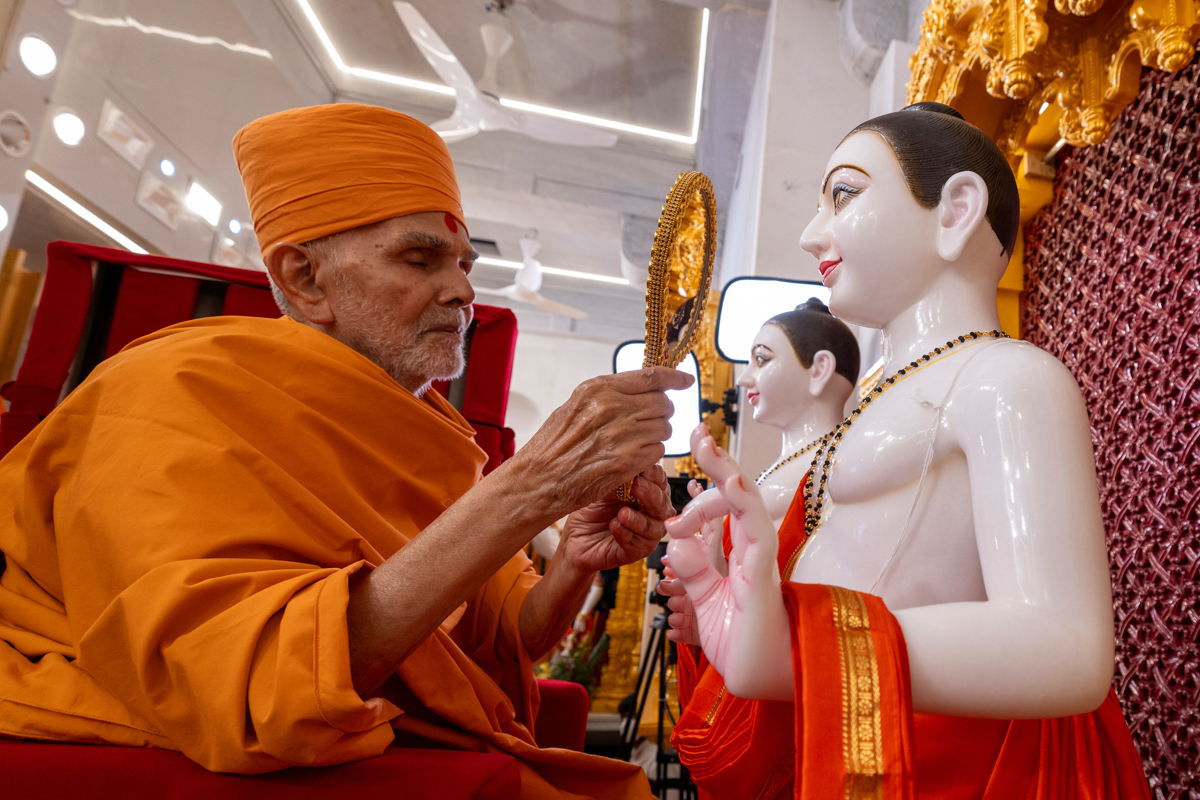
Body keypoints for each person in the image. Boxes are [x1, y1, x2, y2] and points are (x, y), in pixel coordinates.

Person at [0, 104, 694, 798]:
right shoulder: (167, 396)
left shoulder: (417, 428)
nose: (462, 291)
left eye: (463, 265)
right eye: (420, 259)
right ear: (303, 277)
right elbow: (255, 688)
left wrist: (573, 560)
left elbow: (495, 644)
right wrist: (526, 489)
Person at [659, 103, 1149, 798]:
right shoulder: (872, 404)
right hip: (854, 745)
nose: (810, 234)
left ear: (955, 211)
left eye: (845, 194)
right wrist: (741, 610)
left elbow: (1066, 647)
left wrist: (794, 649)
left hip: (946, 766)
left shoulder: (1006, 379)